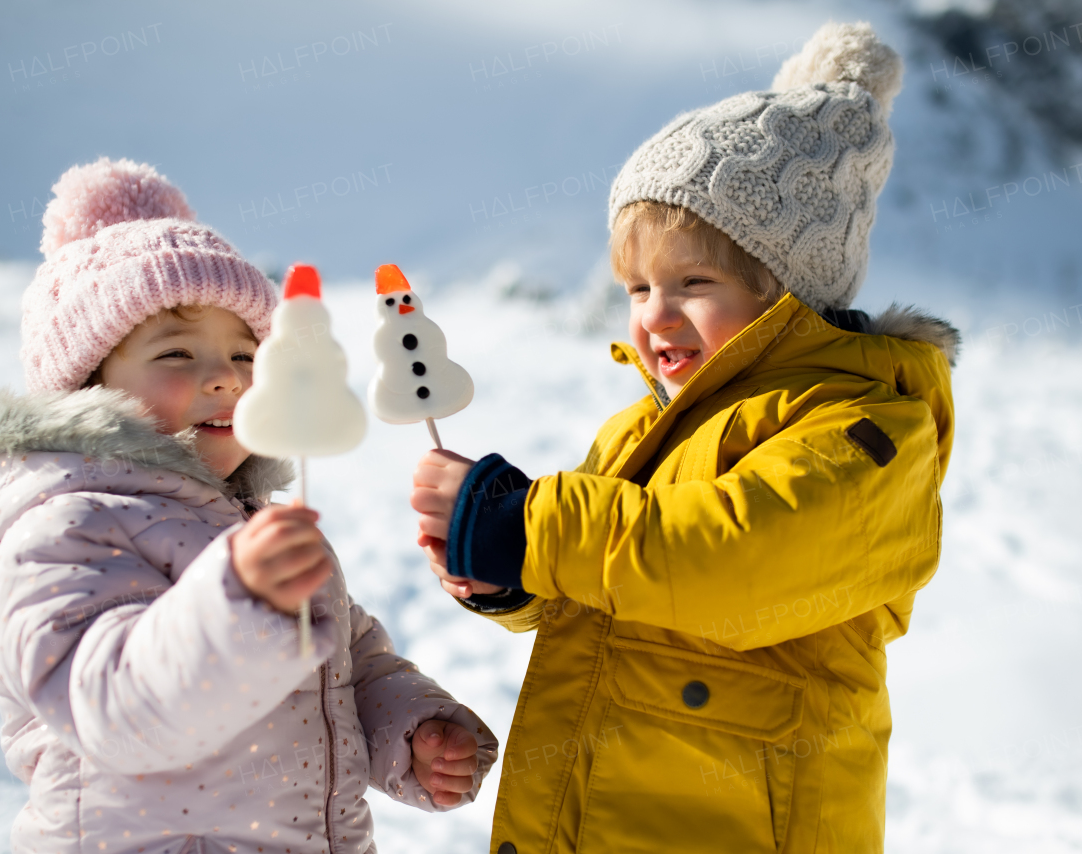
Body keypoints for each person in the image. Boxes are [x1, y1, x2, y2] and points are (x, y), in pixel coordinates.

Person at [411, 23, 959, 854]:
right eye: (638, 286)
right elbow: (603, 584)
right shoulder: (641, 429)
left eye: (693, 284)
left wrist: (531, 524)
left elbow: (732, 561)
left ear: (788, 290)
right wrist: (509, 575)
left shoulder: (865, 428)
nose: (654, 315)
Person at [0, 157, 496, 854]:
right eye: (177, 352)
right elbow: (113, 702)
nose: (224, 381)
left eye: (245, 356)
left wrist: (413, 730)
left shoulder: (247, 518)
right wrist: (237, 599)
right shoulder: (66, 521)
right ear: (88, 384)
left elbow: (344, 663)